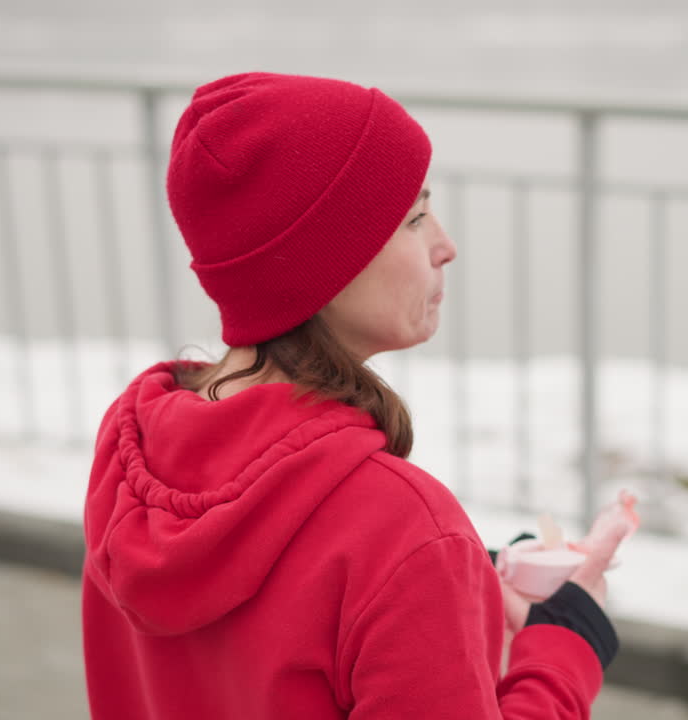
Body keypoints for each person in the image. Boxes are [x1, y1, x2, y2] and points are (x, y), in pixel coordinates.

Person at [80, 72, 637, 720]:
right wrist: (566, 646)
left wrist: (465, 587)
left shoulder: (131, 453)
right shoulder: (404, 532)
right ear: (322, 259)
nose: (445, 246)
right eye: (414, 217)